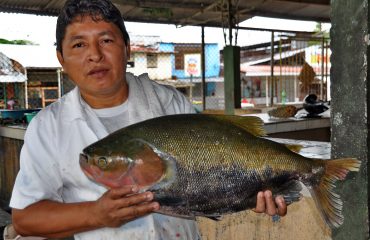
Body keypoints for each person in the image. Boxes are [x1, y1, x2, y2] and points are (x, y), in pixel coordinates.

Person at [9, 0, 287, 239]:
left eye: (106, 40)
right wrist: (96, 214)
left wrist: (250, 192)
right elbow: (25, 218)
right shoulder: (48, 127)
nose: (94, 55)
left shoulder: (169, 102)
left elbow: (214, 170)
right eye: (79, 44)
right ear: (61, 57)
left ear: (127, 49)